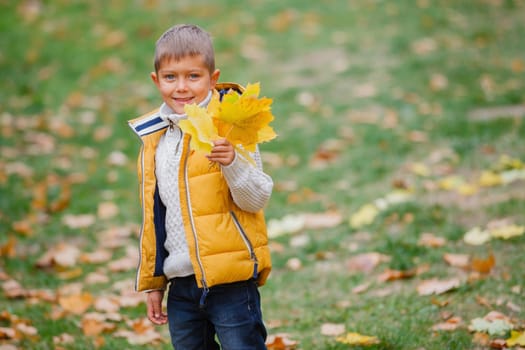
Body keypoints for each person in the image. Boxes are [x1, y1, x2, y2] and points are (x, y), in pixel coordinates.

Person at [127, 24, 273, 349]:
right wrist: (154, 282)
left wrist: (232, 163)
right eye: (170, 77)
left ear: (213, 78)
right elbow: (155, 219)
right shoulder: (156, 140)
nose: (181, 87)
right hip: (181, 284)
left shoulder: (229, 126)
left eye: (193, 76)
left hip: (230, 280)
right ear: (156, 80)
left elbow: (258, 196)